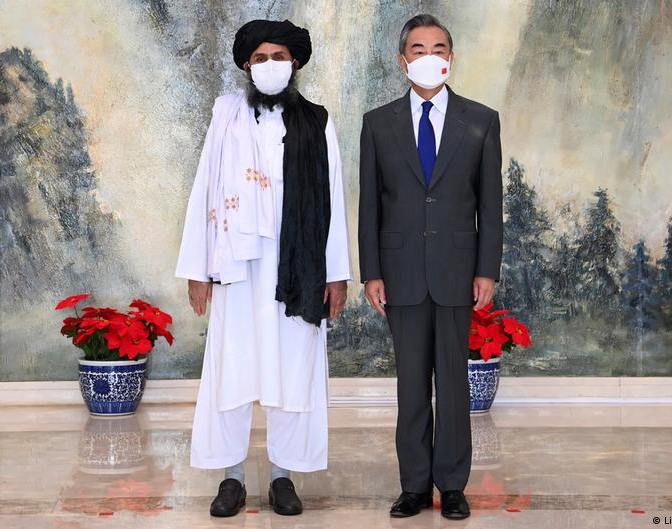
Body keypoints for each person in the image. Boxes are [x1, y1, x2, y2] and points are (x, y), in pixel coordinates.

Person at [175, 19, 351, 518]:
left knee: (292, 368)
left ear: (294, 63)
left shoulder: (317, 122)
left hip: (298, 267)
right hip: (235, 265)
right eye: (259, 58)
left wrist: (336, 273)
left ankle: (283, 476)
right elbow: (205, 188)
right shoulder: (225, 117)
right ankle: (230, 478)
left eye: (279, 56)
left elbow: (333, 201)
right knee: (232, 367)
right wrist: (197, 268)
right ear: (246, 66)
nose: (270, 65)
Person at [357, 13, 503, 520]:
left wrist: (487, 269)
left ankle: (453, 485)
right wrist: (371, 272)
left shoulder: (481, 121)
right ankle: (415, 486)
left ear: (452, 58)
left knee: (455, 386)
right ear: (403, 61)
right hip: (400, 274)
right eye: (418, 49)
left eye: (438, 48)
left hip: (458, 271)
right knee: (411, 384)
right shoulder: (377, 124)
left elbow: (490, 202)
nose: (429, 57)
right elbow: (370, 205)